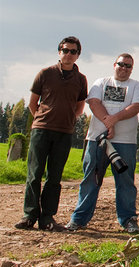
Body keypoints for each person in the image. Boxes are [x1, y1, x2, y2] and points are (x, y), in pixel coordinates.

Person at [65, 53, 139, 233]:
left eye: (128, 66)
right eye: (121, 64)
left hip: (125, 142)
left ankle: (128, 219)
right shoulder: (100, 82)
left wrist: (114, 120)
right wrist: (107, 121)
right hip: (97, 139)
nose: (124, 68)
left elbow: (136, 107)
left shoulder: (136, 86)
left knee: (125, 181)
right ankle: (78, 219)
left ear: (131, 69)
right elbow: (93, 102)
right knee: (90, 179)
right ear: (114, 64)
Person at [15, 36, 88, 231]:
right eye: (65, 50)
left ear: (78, 55)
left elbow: (80, 108)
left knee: (54, 177)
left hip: (64, 132)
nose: (68, 54)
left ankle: (47, 218)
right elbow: (33, 103)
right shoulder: (45, 73)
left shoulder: (81, 79)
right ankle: (29, 215)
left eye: (73, 51)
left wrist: (67, 120)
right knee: (34, 174)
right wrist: (42, 120)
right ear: (59, 52)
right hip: (41, 130)